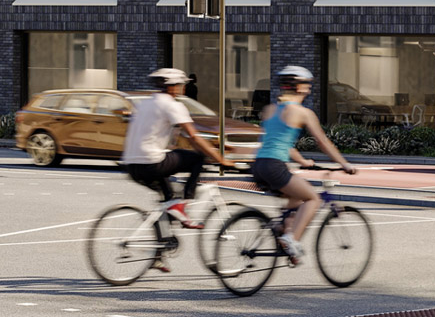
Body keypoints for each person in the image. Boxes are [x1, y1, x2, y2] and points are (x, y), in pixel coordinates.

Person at [249, 66, 357, 264]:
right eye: (307, 85)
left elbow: (277, 141)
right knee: (313, 199)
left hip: (258, 166)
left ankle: (284, 231)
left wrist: (302, 161)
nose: (308, 90)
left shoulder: (269, 110)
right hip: (275, 167)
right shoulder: (302, 112)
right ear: (299, 87)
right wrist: (344, 163)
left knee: (295, 201)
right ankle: (292, 240)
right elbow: (323, 142)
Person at [122, 67, 226, 231]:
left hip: (131, 164)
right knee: (197, 159)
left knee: (168, 199)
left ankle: (164, 241)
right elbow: (194, 137)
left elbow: (168, 133)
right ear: (174, 86)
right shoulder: (172, 105)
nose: (183, 87)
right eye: (181, 84)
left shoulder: (145, 104)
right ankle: (186, 203)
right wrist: (219, 158)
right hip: (152, 162)